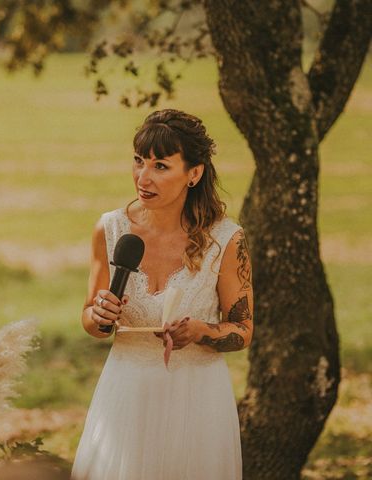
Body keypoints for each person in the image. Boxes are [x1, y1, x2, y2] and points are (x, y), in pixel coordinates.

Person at [71, 109, 253, 480]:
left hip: (197, 401)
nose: (143, 177)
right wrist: (99, 315)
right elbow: (90, 319)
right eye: (138, 161)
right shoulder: (110, 229)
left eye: (160, 166)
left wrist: (201, 332)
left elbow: (243, 329)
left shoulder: (226, 240)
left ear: (194, 173)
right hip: (125, 394)